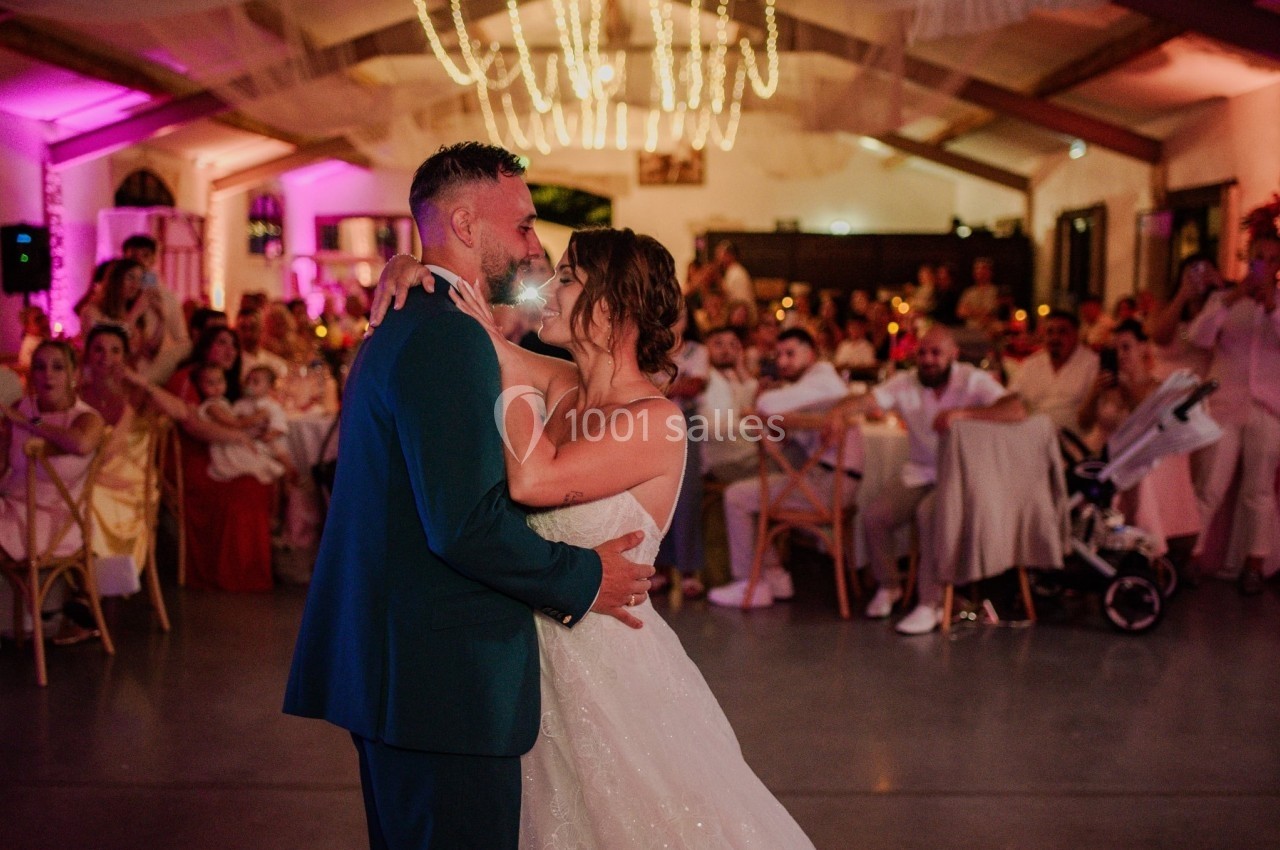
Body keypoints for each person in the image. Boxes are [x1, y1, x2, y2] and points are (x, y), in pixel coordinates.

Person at [284, 143, 653, 850]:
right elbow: (462, 524)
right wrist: (585, 576)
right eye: (521, 224)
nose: (534, 244)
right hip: (437, 682)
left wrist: (415, 266)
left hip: (409, 672)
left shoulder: (426, 318)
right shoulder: (442, 337)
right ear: (462, 222)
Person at [445, 226, 817, 847]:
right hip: (535, 674)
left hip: (613, 679)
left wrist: (507, 392)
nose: (550, 290)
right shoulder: (563, 387)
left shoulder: (657, 421)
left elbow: (536, 481)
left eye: (568, 279)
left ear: (614, 308)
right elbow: (479, 338)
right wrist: (410, 268)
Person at [837, 325, 1027, 634]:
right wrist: (837, 414)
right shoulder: (905, 383)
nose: (928, 359)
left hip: (962, 475)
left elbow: (1016, 409)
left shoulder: (971, 380)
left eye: (936, 352)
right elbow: (867, 401)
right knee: (874, 516)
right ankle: (889, 586)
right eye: (922, 353)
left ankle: (932, 602)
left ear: (953, 354)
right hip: (920, 470)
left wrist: (962, 414)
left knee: (929, 514)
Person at [709, 328, 858, 609]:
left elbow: (767, 404)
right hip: (834, 480)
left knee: (737, 497)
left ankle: (749, 584)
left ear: (811, 354)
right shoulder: (814, 385)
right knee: (754, 488)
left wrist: (765, 403)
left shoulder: (824, 379)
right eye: (779, 355)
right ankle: (774, 575)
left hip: (828, 485)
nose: (783, 362)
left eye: (791, 354)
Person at [1187, 229, 1280, 595]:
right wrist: (1236, 296)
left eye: (1274, 260)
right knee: (1210, 483)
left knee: (1258, 489)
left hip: (1269, 408)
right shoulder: (1225, 300)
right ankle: (1192, 555)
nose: (1267, 266)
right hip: (1225, 404)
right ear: (1249, 259)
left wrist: (1272, 308)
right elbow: (1198, 336)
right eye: (1260, 258)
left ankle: (1254, 563)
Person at [0, 341, 106, 642]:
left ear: (73, 373)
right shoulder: (22, 408)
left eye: (58, 367)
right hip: (14, 506)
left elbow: (81, 443)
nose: (48, 375)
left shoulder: (87, 418)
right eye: (40, 367)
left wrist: (32, 423)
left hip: (57, 521)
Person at [78, 325, 192, 604]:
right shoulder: (78, 394)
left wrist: (139, 382)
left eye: (115, 350)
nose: (106, 357)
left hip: (130, 482)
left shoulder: (137, 395)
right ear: (88, 355)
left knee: (84, 504)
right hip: (88, 474)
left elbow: (181, 412)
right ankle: (75, 592)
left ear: (125, 356)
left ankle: (88, 595)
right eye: (99, 350)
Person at [165, 325, 274, 592]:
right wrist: (239, 436)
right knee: (247, 487)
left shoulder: (228, 381)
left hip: (219, 454)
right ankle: (235, 575)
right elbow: (193, 426)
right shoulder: (188, 378)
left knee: (262, 479)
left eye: (234, 345)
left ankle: (254, 570)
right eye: (222, 343)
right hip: (193, 460)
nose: (230, 351)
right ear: (205, 346)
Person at [191, 362, 286, 485]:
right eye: (210, 383)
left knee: (274, 459)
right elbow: (235, 423)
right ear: (200, 386)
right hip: (226, 445)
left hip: (234, 441)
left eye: (220, 381)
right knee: (267, 466)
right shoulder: (212, 406)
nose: (217, 386)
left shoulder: (222, 402)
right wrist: (257, 416)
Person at [1008, 309, 1100, 431]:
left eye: (1062, 332)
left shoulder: (1092, 364)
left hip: (1075, 441)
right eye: (1050, 332)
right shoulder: (1032, 364)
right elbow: (1010, 398)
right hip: (1034, 437)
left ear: (1076, 334)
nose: (1055, 338)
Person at [121, 233, 191, 382]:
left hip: (155, 371)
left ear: (153, 259)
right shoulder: (117, 295)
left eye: (145, 256)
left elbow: (181, 339)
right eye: (134, 257)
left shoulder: (166, 297)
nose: (140, 262)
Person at [714, 239, 756, 323]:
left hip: (742, 318)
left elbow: (731, 298)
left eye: (721, 254)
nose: (718, 258)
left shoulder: (736, 272)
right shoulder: (732, 271)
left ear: (730, 255)